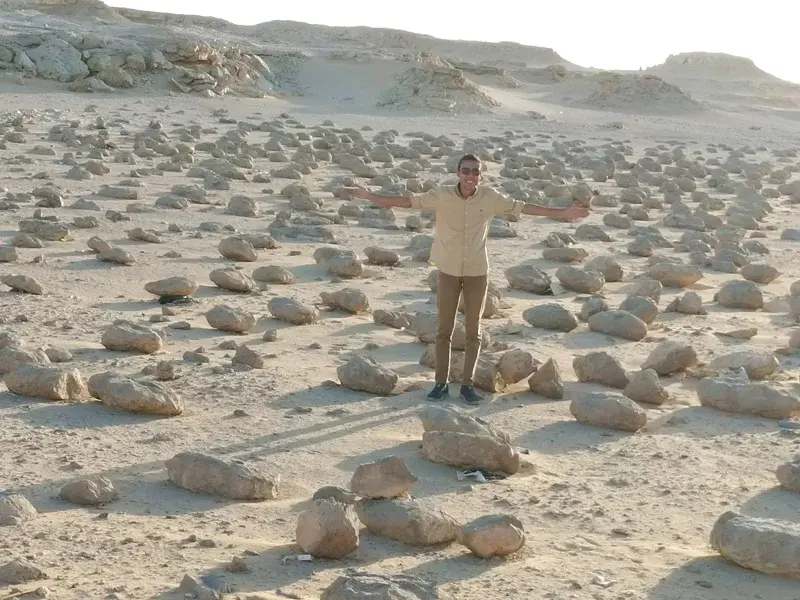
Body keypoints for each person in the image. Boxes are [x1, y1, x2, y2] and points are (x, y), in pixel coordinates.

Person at [341, 154, 589, 405]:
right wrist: (369, 195)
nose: (471, 176)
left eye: (475, 172)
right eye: (466, 171)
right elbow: (407, 202)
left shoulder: (490, 197)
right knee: (444, 330)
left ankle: (468, 384)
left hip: (477, 271)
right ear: (458, 173)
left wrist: (564, 213)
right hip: (448, 270)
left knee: (474, 331)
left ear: (480, 175)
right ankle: (440, 383)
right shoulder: (443, 194)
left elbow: (524, 207)